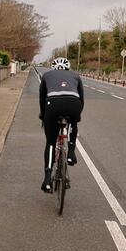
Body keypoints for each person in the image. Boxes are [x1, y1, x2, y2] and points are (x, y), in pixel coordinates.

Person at [38, 57, 84, 193]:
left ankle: (47, 178)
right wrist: (77, 116)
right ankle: (70, 153)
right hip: (73, 104)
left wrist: (43, 114)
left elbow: (42, 97)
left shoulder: (46, 75)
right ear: (67, 68)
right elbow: (81, 98)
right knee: (74, 123)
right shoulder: (76, 76)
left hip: (52, 105)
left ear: (54, 68)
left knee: (51, 143)